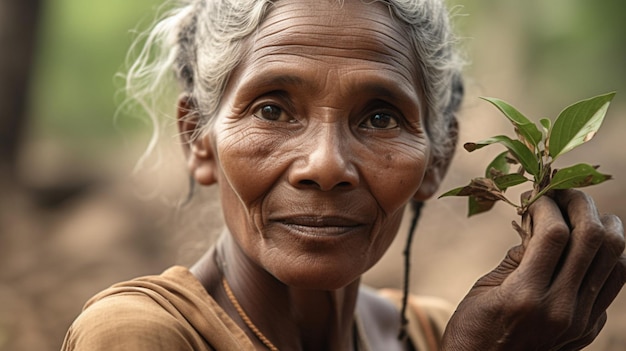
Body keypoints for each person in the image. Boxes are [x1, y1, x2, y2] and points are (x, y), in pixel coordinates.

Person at [61, 0, 626, 350]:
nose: (326, 165)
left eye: (379, 117)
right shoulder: (139, 335)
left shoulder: (433, 333)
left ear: (437, 159)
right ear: (198, 139)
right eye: (272, 110)